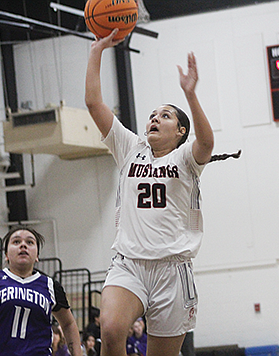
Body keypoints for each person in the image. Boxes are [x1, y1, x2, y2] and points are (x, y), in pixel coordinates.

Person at [85, 29, 214, 356]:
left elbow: (207, 143)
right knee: (111, 330)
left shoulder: (185, 158)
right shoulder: (130, 147)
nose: (155, 118)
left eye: (165, 115)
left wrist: (190, 95)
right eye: (153, 115)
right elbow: (93, 103)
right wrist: (97, 50)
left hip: (172, 269)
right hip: (129, 263)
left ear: (180, 131)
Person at [0, 225, 83, 356]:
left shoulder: (51, 286)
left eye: (29, 242)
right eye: (16, 242)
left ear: (37, 256)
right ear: (6, 254)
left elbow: (68, 324)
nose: (23, 245)